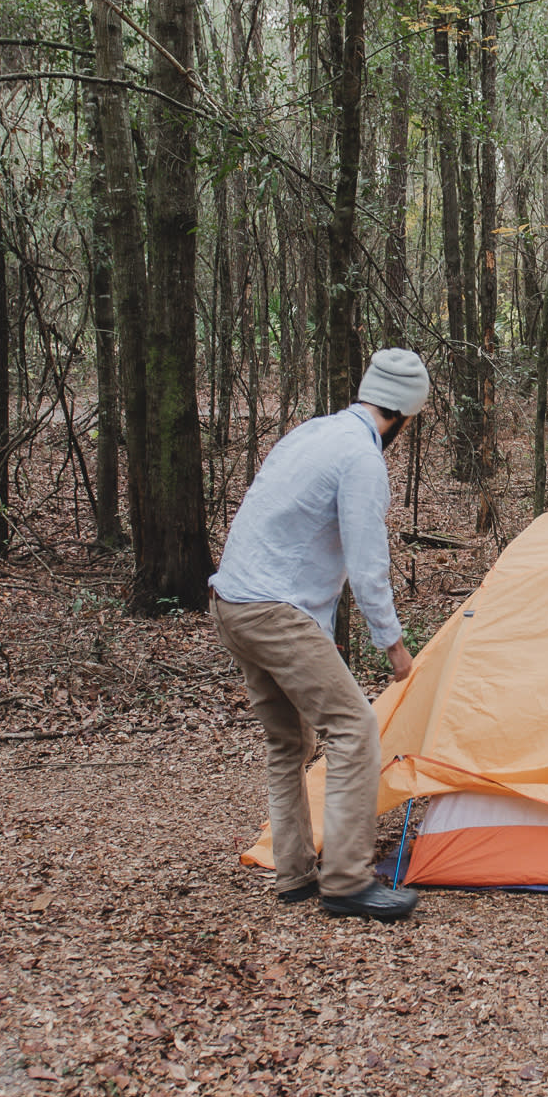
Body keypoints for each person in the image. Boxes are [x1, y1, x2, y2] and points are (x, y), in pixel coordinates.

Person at [209, 349, 430, 922]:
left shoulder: (313, 433)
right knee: (355, 728)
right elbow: (365, 561)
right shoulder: (361, 456)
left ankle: (295, 873)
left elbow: (291, 535)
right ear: (404, 415)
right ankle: (348, 881)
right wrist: (395, 646)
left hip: (232, 601)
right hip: (272, 609)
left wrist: (317, 627)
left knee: (290, 741)